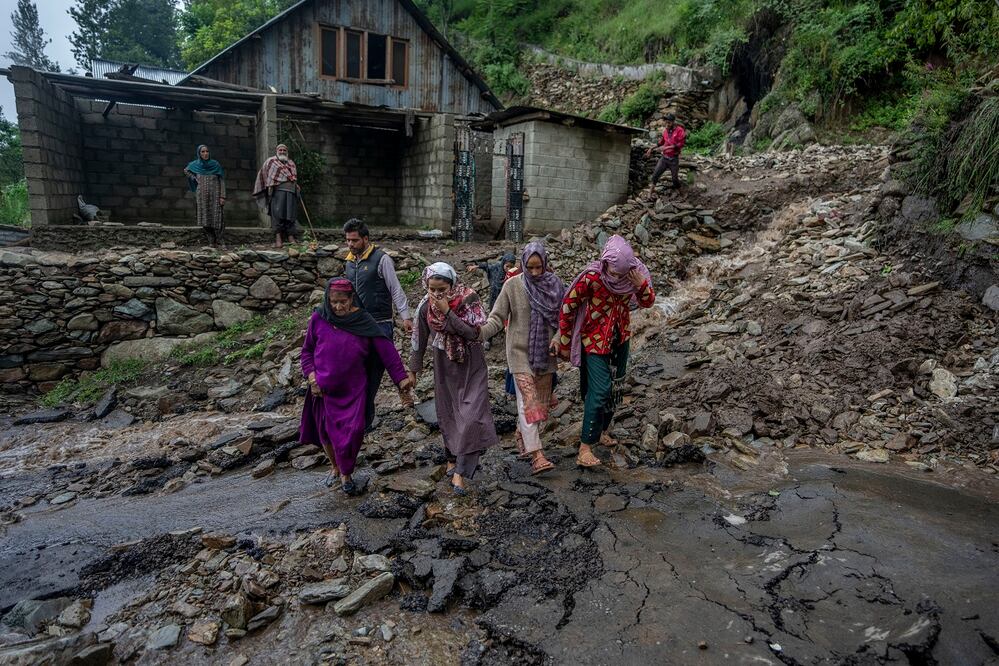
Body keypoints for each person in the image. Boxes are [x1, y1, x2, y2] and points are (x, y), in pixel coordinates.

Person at [299, 278, 413, 496]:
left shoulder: (363, 321)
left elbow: (387, 351)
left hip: (353, 390)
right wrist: (311, 375)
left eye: (343, 302)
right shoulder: (319, 318)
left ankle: (346, 473)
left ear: (352, 298)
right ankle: (336, 467)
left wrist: (401, 378)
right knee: (325, 432)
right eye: (334, 302)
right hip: (322, 389)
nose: (338, 307)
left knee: (353, 431)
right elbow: (307, 352)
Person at [553, 235, 655, 468]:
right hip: (594, 341)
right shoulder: (592, 278)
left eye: (622, 274)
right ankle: (585, 447)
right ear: (605, 262)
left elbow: (648, 302)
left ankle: (602, 430)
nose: (618, 278)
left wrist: (640, 285)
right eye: (615, 273)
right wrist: (565, 341)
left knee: (615, 389)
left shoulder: (633, 274)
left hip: (620, 339)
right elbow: (568, 306)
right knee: (600, 390)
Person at [409, 263, 497, 494]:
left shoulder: (469, 300)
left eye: (442, 288)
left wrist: (448, 311)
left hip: (472, 363)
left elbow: (472, 333)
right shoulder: (425, 307)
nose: (437, 294)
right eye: (432, 289)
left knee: (471, 417)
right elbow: (418, 341)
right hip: (444, 365)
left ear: (452, 284)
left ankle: (460, 472)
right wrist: (412, 372)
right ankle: (451, 458)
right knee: (448, 413)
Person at [480, 241, 563, 475]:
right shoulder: (512, 286)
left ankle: (521, 434)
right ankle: (537, 455)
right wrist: (479, 333)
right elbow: (497, 318)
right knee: (529, 401)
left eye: (539, 268)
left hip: (547, 355)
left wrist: (557, 339)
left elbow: (564, 320)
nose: (535, 273)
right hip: (518, 353)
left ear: (545, 264)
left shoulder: (555, 286)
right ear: (523, 265)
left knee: (542, 404)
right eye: (530, 267)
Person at [343, 218, 414, 430]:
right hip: (356, 327)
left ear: (365, 239)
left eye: (354, 240)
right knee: (357, 374)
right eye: (347, 240)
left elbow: (395, 288)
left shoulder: (381, 260)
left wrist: (405, 316)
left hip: (380, 323)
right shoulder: (348, 262)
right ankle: (359, 418)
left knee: (378, 369)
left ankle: (400, 393)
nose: (350, 244)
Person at [252, 143, 301, 248]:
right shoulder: (271, 161)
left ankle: (290, 236)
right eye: (280, 150)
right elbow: (264, 173)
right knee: (277, 214)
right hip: (278, 192)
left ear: (286, 152)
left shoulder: (291, 163)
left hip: (291, 192)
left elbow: (293, 178)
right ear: (277, 151)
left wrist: (296, 185)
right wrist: (268, 184)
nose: (282, 152)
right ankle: (278, 238)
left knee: (290, 214)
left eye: (284, 150)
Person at [184, 145, 226, 247]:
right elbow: (186, 170)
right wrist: (194, 178)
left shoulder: (215, 164)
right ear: (199, 153)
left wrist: (222, 196)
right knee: (205, 216)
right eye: (203, 152)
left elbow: (221, 181)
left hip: (215, 195)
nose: (205, 153)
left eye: (207, 151)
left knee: (218, 216)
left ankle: (220, 239)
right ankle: (211, 240)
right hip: (202, 195)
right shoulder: (195, 165)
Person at [644, 113, 686, 192]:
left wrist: (666, 148)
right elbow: (661, 142)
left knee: (674, 179)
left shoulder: (679, 130)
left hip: (673, 159)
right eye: (666, 122)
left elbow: (680, 144)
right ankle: (649, 195)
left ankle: (682, 193)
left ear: (673, 122)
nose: (667, 124)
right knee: (655, 175)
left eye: (669, 122)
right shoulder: (665, 131)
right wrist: (651, 148)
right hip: (664, 158)